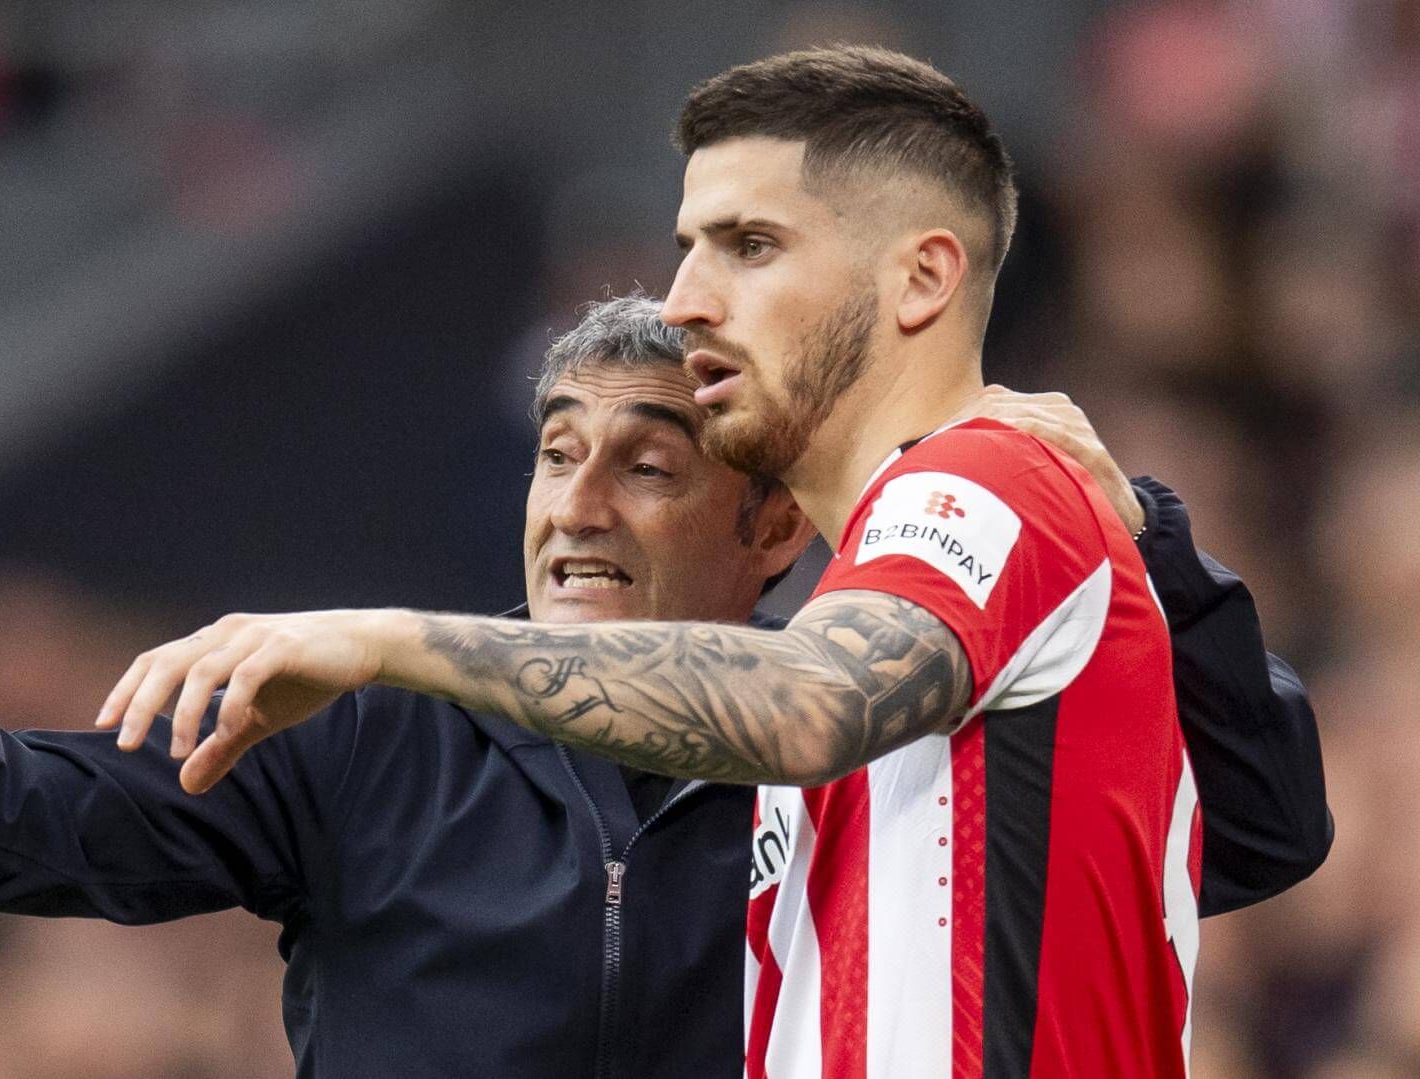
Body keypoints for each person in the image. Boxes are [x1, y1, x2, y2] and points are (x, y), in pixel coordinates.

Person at [0, 294, 1325, 1078]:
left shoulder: (878, 737)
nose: (576, 504)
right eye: (554, 451)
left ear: (769, 528)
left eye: (646, 465)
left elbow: (1254, 826)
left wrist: (1139, 536)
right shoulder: (364, 723)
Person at [96, 49, 1305, 1078]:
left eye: (750, 245)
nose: (681, 302)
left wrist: (385, 642)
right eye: (689, 248)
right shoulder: (882, 578)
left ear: (923, 276)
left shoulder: (984, 478)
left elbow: (806, 705)